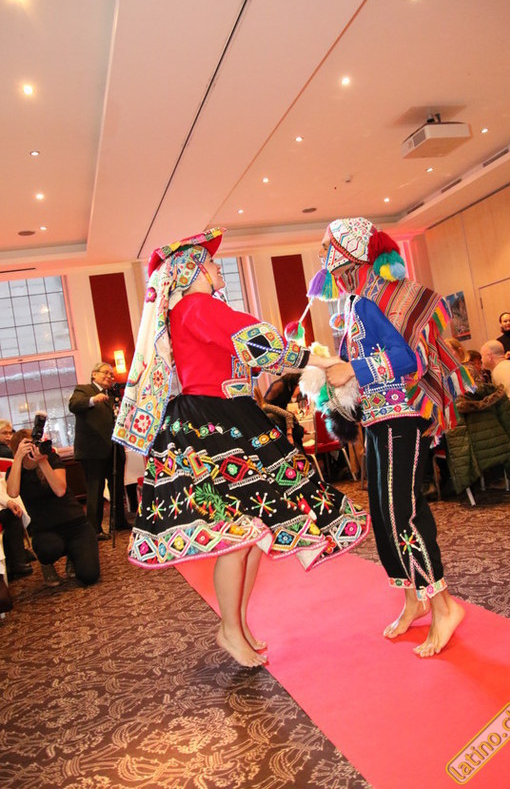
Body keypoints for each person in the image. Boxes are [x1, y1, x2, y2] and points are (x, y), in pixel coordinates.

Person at [113, 227, 369, 668]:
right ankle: (230, 628)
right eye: (211, 262)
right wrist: (323, 360)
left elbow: (249, 350)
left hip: (227, 416)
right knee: (238, 535)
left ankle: (237, 624)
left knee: (251, 534)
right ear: (194, 271)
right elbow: (258, 342)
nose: (218, 268)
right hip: (214, 423)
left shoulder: (193, 309)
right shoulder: (196, 307)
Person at [310, 217, 471, 658]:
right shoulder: (354, 304)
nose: (322, 254)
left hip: (402, 416)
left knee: (403, 512)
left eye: (327, 246)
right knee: (384, 516)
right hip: (378, 420)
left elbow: (408, 359)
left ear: (348, 253)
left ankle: (444, 606)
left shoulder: (370, 301)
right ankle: (413, 598)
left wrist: (353, 368)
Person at [6, 430, 100, 587]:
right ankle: (47, 564)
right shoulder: (16, 471)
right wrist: (17, 459)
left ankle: (73, 555)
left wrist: (42, 461)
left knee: (89, 576)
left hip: (76, 524)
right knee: (49, 548)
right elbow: (12, 492)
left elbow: (59, 490)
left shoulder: (51, 459)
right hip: (45, 530)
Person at [69, 364, 129, 540]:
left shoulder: (113, 395)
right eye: (106, 373)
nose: (110, 376)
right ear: (94, 374)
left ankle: (119, 521)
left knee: (117, 487)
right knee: (95, 489)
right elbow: (73, 405)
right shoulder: (84, 390)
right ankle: (94, 529)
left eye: (112, 374)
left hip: (114, 449)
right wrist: (93, 400)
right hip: (92, 451)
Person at [480, 340, 510, 431]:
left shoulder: (500, 370)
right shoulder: (508, 365)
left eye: (482, 356)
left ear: (489, 356)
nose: (481, 360)